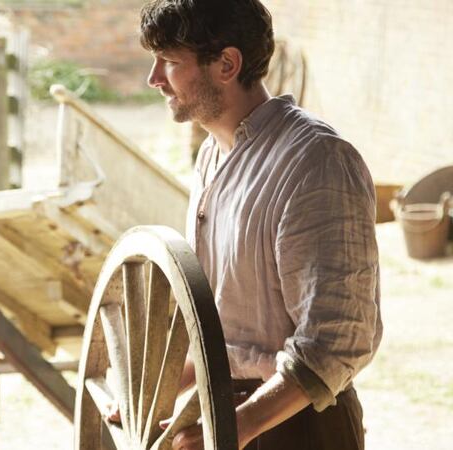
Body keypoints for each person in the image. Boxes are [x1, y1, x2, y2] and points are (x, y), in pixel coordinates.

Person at [108, 1, 382, 449]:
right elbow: (233, 331)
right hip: (225, 414)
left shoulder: (316, 163)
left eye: (171, 63)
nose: (154, 79)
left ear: (227, 65)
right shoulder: (212, 157)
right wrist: (158, 389)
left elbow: (336, 341)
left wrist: (235, 427)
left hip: (296, 428)